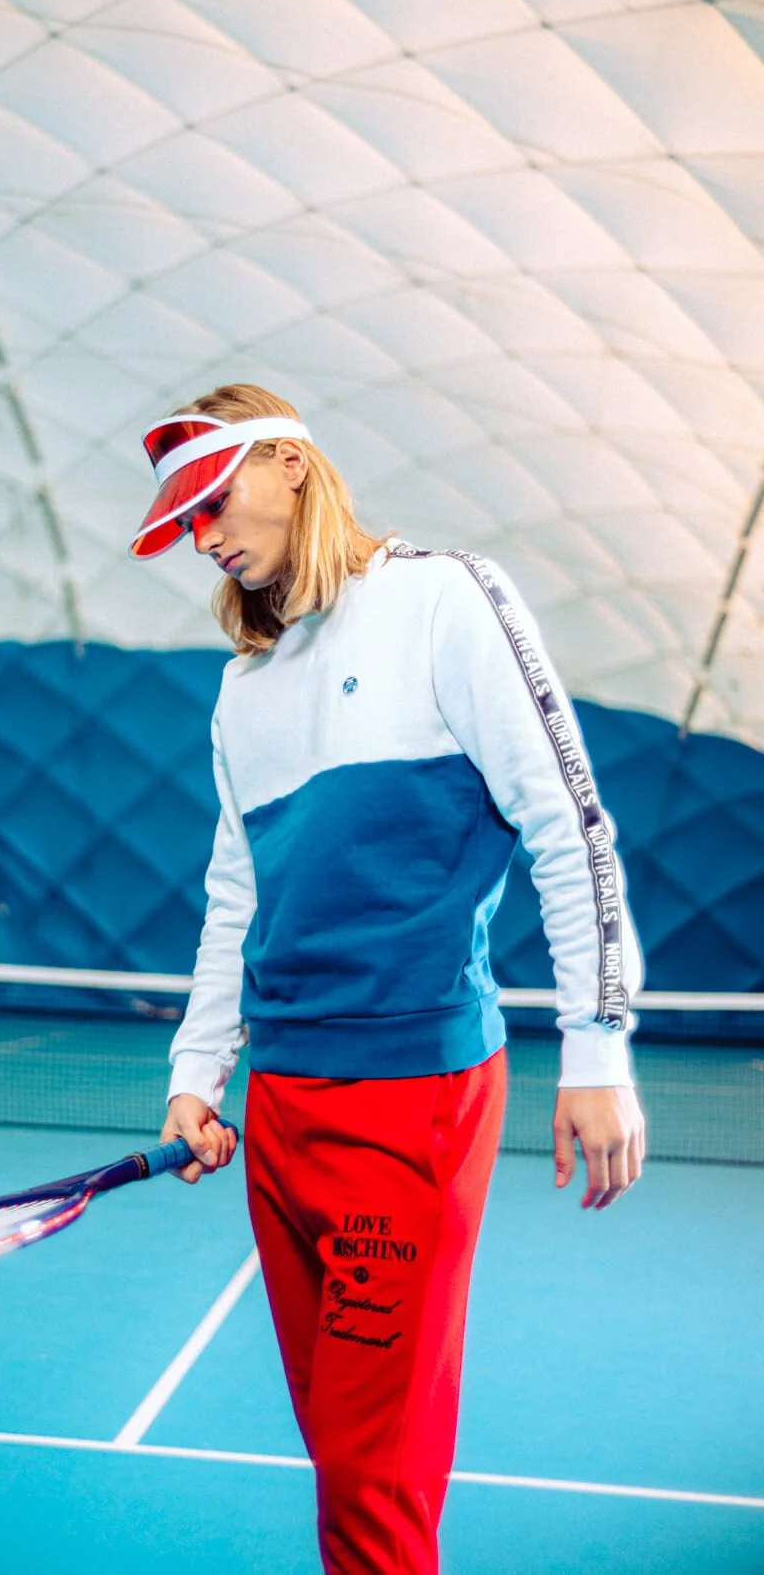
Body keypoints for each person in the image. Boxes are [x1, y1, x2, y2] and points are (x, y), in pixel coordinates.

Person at [128, 383, 646, 1575]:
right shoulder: (240, 691)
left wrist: (596, 1048)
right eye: (183, 522)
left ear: (289, 463)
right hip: (280, 1111)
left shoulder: (441, 599)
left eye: (211, 500)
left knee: (371, 1481)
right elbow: (234, 895)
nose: (203, 537)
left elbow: (567, 825)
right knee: (343, 1448)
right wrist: (197, 1073)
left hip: (410, 1099)